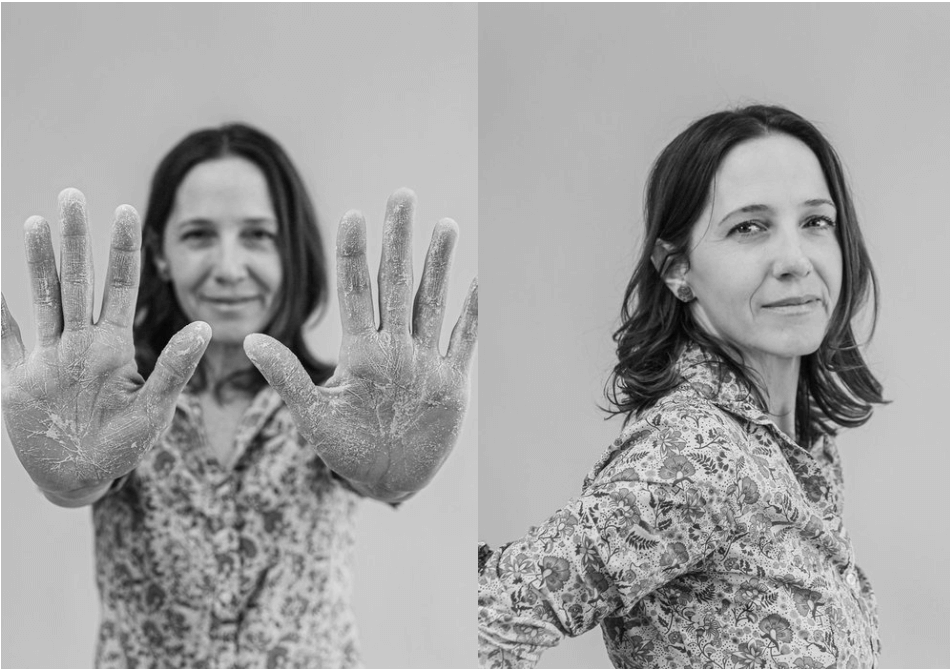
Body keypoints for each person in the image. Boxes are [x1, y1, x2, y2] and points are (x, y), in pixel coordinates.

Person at [0, 123, 479, 667]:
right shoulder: (108, 405)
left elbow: (378, 477)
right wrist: (68, 482)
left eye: (258, 235)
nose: (229, 269)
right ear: (159, 254)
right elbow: (81, 481)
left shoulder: (347, 405)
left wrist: (392, 478)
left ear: (290, 251)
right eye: (199, 235)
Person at [477, 105, 885, 667]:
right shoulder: (695, 453)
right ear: (677, 269)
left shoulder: (805, 449)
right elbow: (493, 616)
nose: (796, 259)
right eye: (749, 227)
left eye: (816, 222)